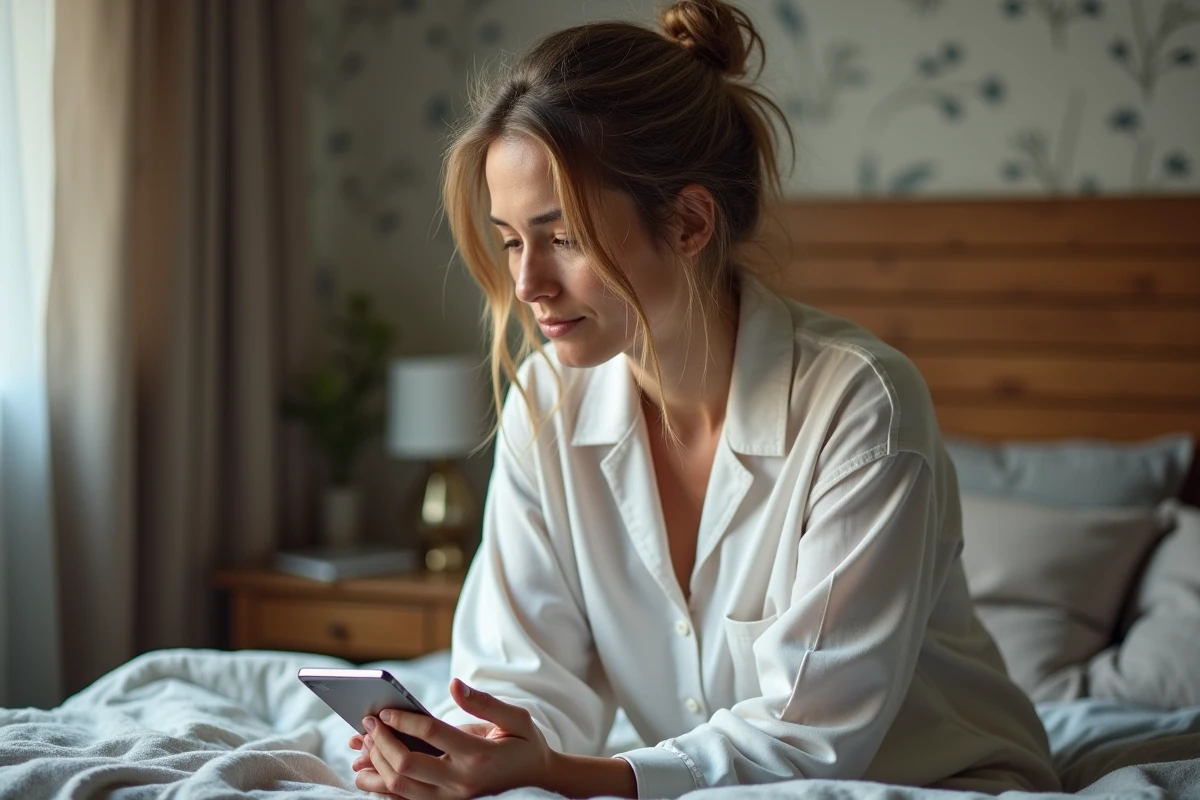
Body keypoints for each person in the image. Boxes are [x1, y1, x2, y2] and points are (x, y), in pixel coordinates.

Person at [347, 1, 1061, 797]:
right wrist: (469, 752)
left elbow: (811, 735)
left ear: (688, 222)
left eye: (565, 236)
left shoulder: (862, 407)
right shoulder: (546, 402)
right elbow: (524, 678)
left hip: (941, 783)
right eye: (512, 239)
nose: (526, 285)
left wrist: (567, 773)